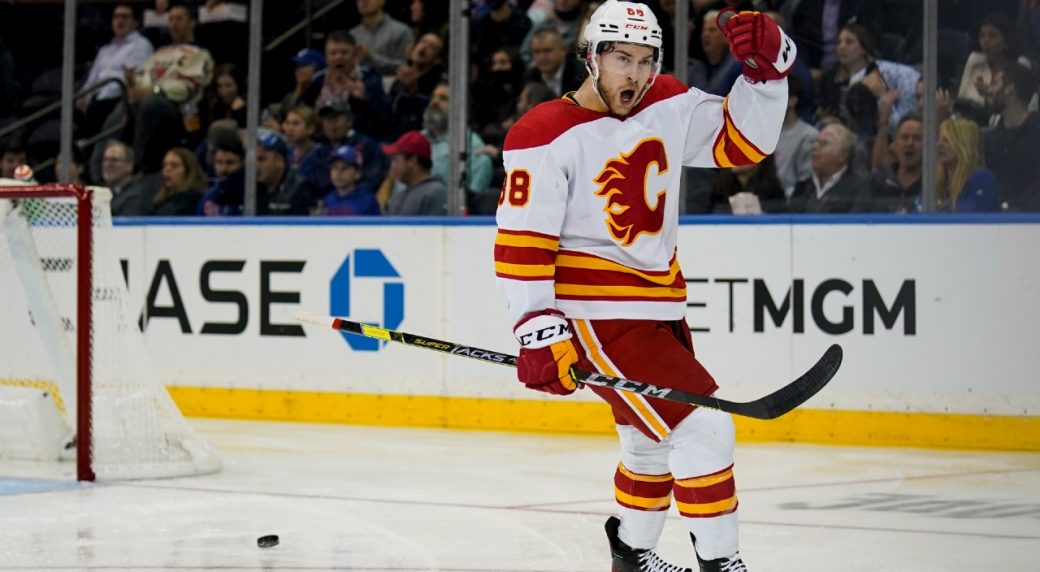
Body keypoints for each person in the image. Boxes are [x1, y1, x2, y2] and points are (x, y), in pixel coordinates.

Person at [496, 3, 795, 570]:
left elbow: (743, 145)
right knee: (705, 427)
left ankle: (632, 553)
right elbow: (521, 244)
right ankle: (721, 564)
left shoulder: (667, 102)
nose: (633, 75)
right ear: (591, 57)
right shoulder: (542, 133)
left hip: (659, 305)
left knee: (648, 440)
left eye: (644, 60)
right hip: (597, 314)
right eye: (620, 59)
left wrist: (767, 74)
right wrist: (537, 330)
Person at [125, 1, 214, 173]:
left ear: (192, 23)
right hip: (147, 103)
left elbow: (188, 87)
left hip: (181, 111)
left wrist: (154, 91)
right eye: (171, 19)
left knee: (152, 105)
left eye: (179, 19)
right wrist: (132, 84)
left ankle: (137, 166)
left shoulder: (199, 53)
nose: (173, 23)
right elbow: (142, 79)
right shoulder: (159, 53)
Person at [78, 4, 154, 138]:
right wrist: (84, 97)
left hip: (119, 100)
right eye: (116, 17)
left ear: (136, 22)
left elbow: (137, 78)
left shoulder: (141, 45)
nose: (120, 21)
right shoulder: (105, 49)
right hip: (97, 101)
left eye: (125, 17)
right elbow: (92, 79)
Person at [983, 63, 1040, 211]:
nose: (989, 90)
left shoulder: (1036, 130)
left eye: (994, 83)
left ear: (1010, 89)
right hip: (1000, 221)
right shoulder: (992, 139)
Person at [789, 123, 870, 213]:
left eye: (823, 144)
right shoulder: (802, 187)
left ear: (842, 155)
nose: (814, 147)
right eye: (814, 143)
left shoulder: (859, 189)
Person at [933, 118, 1002, 213]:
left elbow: (971, 216)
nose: (939, 145)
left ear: (963, 144)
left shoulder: (981, 178)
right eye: (939, 140)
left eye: (946, 140)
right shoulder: (937, 184)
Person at [381, 130, 447, 215]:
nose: (393, 166)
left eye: (396, 160)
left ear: (412, 161)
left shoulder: (436, 193)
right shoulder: (400, 195)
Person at [868, 114, 922, 213]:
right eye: (904, 137)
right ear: (895, 144)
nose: (910, 143)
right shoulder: (878, 180)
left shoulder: (934, 183)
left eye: (917, 138)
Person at [350, 0, 414, 76]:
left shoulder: (401, 31)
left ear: (382, 1)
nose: (363, 1)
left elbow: (406, 67)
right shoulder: (353, 34)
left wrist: (371, 57)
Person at [318, 145, 381, 216]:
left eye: (345, 167)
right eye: (334, 167)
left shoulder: (367, 201)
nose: (339, 172)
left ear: (357, 173)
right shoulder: (328, 200)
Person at [101, 140, 158, 216]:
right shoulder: (106, 192)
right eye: (105, 160)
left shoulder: (137, 196)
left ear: (129, 165)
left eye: (114, 160)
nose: (108, 164)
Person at [524, 28, 587, 96]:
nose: (542, 57)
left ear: (563, 50)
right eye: (537, 52)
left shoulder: (579, 75)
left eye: (547, 50)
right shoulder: (530, 77)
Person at [151, 147, 205, 216]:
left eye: (174, 165)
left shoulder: (194, 198)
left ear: (188, 171)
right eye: (164, 165)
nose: (167, 169)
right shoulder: (160, 200)